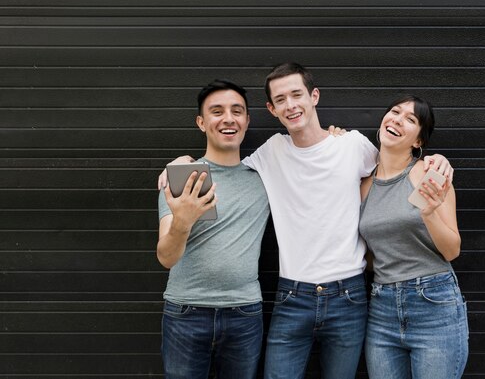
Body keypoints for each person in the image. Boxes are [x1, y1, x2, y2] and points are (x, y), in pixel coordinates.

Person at [158, 63, 454, 379]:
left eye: (297, 94)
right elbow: (225, 166)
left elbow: (394, 166)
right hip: (291, 296)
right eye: (281, 99)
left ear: (314, 96)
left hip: (349, 295)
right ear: (272, 109)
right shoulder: (270, 152)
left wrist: (433, 160)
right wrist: (182, 163)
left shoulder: (353, 145)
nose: (291, 105)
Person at [156, 79, 270, 379]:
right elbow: (166, 257)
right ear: (201, 122)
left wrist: (335, 134)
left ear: (247, 120)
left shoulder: (266, 177)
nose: (228, 118)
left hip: (245, 314)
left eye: (237, 111)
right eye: (217, 111)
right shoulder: (182, 178)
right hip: (185, 313)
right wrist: (184, 219)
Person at [358, 95, 469, 379]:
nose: (397, 119)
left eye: (410, 119)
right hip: (382, 307)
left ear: (418, 141)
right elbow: (371, 255)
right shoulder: (364, 185)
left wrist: (429, 213)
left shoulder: (428, 173)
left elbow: (452, 250)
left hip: (433, 303)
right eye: (395, 112)